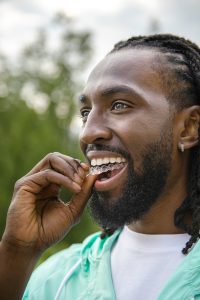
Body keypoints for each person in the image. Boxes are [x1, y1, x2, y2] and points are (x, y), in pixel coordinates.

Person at [1, 33, 200, 300]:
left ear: (189, 127)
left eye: (119, 105)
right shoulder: (55, 279)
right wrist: (17, 252)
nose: (87, 133)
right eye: (85, 113)